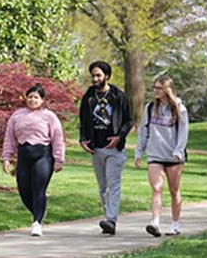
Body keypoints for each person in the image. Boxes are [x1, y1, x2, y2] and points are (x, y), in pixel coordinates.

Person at [2, 84, 65, 236]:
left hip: (43, 155)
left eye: (36, 97)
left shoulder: (49, 116)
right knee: (24, 190)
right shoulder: (17, 115)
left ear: (42, 100)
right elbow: (9, 138)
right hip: (24, 155)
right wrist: (6, 158)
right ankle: (40, 210)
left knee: (38, 189)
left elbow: (57, 137)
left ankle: (37, 221)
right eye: (30, 97)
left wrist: (59, 159)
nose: (32, 100)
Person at [79, 61, 133, 235]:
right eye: (93, 75)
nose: (95, 79)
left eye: (98, 75)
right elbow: (83, 121)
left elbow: (129, 120)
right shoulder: (88, 97)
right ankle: (108, 220)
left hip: (114, 149)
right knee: (103, 187)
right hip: (96, 148)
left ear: (107, 76)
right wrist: (83, 140)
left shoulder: (118, 96)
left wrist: (119, 137)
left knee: (113, 184)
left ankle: (111, 220)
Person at [134, 75, 189, 237]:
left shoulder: (179, 108)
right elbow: (143, 131)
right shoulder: (150, 108)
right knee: (157, 188)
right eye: (155, 88)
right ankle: (155, 222)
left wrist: (179, 151)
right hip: (155, 154)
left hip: (173, 156)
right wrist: (139, 152)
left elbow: (183, 133)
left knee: (174, 191)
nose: (156, 91)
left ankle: (175, 224)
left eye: (159, 88)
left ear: (167, 90)